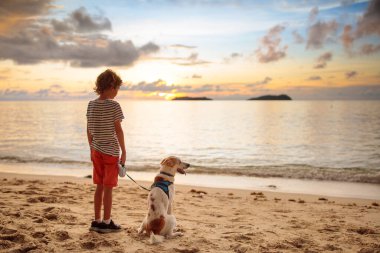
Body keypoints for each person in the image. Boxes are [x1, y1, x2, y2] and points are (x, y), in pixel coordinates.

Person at [86, 69, 126, 233]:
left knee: (99, 186)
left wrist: (91, 148)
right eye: (117, 88)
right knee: (108, 187)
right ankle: (107, 222)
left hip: (96, 150)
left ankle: (97, 221)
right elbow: (118, 131)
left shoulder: (91, 104)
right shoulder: (114, 105)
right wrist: (124, 152)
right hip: (110, 152)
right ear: (110, 86)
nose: (117, 92)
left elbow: (89, 130)